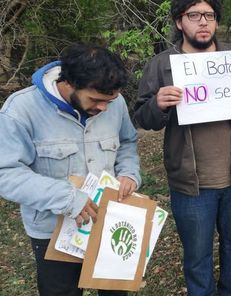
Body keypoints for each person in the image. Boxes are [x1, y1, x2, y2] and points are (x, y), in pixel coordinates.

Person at [133, 0, 231, 295]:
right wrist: (157, 104)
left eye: (209, 15)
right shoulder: (161, 64)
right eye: (194, 15)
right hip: (191, 182)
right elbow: (143, 118)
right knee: (197, 254)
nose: (203, 22)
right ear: (179, 22)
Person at [0, 45, 140, 295]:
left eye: (110, 100)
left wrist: (128, 172)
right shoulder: (21, 110)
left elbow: (127, 141)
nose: (104, 108)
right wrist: (66, 197)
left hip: (109, 222)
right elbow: (6, 173)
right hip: (51, 230)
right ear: (69, 83)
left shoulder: (113, 102)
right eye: (96, 100)